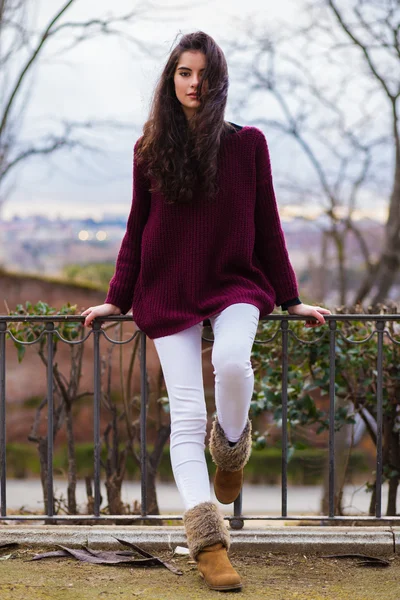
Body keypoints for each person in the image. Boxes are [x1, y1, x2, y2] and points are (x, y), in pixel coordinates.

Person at [82, 31, 331, 592]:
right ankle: (208, 542)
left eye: (204, 75)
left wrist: (290, 299)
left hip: (234, 285)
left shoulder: (248, 145)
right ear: (171, 80)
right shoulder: (151, 149)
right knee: (187, 418)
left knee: (234, 365)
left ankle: (232, 447)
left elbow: (268, 225)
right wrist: (117, 298)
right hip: (167, 292)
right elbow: (136, 229)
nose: (194, 84)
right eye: (184, 73)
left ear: (218, 81)